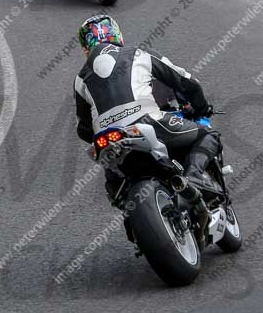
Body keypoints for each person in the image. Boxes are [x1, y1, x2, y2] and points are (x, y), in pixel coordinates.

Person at [74, 15, 220, 193]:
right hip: (148, 122)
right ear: (117, 35)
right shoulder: (138, 53)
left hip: (108, 139)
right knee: (208, 135)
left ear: (85, 48)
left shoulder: (80, 79)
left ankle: (128, 202)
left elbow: (84, 129)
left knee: (116, 190)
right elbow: (186, 82)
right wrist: (202, 109)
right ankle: (194, 176)